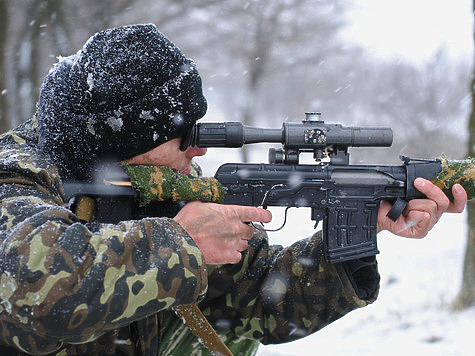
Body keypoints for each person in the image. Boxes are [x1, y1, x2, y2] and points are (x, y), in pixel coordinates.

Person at [0, 24, 466, 356]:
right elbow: (29, 287)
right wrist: (182, 244)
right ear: (126, 141)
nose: (197, 150)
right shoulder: (17, 171)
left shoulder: (163, 188)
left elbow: (258, 302)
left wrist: (355, 239)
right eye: (183, 136)